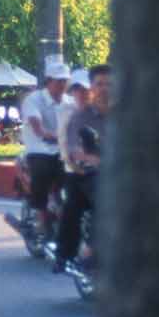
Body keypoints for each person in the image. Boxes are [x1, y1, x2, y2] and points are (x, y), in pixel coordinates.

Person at [55, 64, 111, 274]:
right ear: (93, 88)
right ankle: (86, 250)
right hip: (88, 175)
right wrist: (86, 158)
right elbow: (73, 148)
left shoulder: (128, 117)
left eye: (110, 84)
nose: (105, 88)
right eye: (100, 84)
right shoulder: (80, 117)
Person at [21, 57, 71, 246]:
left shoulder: (70, 102)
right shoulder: (34, 100)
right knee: (43, 170)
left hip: (65, 151)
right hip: (39, 149)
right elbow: (38, 130)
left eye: (65, 80)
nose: (62, 84)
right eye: (59, 80)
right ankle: (39, 214)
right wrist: (59, 137)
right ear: (48, 81)